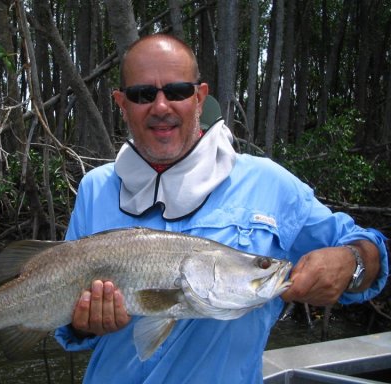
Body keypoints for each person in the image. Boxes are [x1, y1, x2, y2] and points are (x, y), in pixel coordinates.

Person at [55, 34, 388, 383]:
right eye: (143, 95)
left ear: (200, 96)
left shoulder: (269, 182)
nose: (161, 106)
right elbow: (64, 316)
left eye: (178, 91)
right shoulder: (95, 188)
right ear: (122, 104)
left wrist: (352, 261)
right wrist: (82, 324)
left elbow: (369, 253)